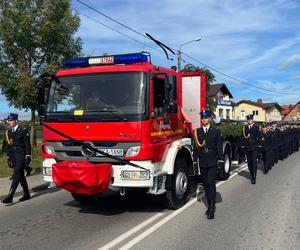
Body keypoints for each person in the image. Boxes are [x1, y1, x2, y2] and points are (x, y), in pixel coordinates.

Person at [193, 110, 224, 219]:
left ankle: (211, 207)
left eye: (206, 118)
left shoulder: (215, 132)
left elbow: (219, 148)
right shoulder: (198, 132)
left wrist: (221, 161)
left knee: (211, 182)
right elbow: (196, 149)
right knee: (205, 183)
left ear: (210, 119)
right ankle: (210, 203)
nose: (204, 120)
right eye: (202, 118)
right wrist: (195, 162)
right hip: (202, 161)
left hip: (212, 161)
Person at [2, 113, 32, 204]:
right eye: (9, 120)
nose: (9, 122)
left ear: (16, 120)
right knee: (21, 175)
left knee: (16, 175)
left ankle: (10, 195)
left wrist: (28, 156)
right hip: (14, 155)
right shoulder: (9, 132)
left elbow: (27, 144)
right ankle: (27, 194)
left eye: (11, 120)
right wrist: (8, 157)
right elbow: (8, 146)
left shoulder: (23, 130)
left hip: (21, 155)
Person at [242, 114, 260, 184]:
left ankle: (254, 177)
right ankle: (251, 174)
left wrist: (258, 146)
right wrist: (242, 146)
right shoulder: (245, 128)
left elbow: (258, 136)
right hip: (247, 147)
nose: (249, 121)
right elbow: (243, 137)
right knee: (249, 163)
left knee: (254, 162)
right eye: (248, 120)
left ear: (252, 120)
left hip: (254, 146)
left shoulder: (256, 127)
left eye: (250, 120)